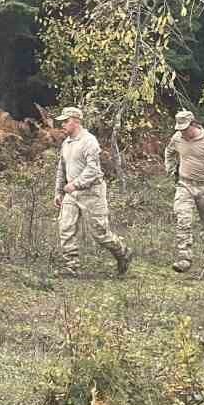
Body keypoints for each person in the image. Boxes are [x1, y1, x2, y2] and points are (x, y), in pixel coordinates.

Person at [54, 107, 132, 277]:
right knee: (65, 227)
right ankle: (71, 266)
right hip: (71, 194)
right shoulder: (66, 143)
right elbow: (62, 168)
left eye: (66, 121)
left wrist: (75, 184)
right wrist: (59, 191)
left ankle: (123, 252)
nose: (63, 125)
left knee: (100, 233)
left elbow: (93, 171)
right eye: (62, 122)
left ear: (76, 121)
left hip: (92, 193)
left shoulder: (89, 141)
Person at [163, 109, 204, 272]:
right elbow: (169, 152)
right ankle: (184, 258)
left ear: (193, 124)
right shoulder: (177, 138)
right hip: (185, 185)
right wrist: (171, 169)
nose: (183, 132)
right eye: (180, 129)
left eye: (185, 129)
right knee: (183, 218)